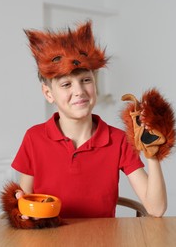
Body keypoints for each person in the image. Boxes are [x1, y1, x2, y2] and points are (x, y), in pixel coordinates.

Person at [11, 21, 168, 219]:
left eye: (86, 80)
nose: (79, 92)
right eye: (66, 84)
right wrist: (20, 211)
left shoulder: (119, 140)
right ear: (48, 93)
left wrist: (152, 153)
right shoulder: (34, 137)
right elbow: (24, 204)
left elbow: (156, 209)